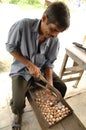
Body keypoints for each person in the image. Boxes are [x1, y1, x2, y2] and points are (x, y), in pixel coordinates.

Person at [6, 1, 70, 127]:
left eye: (58, 32)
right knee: (18, 104)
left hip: (41, 70)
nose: (54, 35)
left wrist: (50, 83)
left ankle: (48, 106)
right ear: (44, 18)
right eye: (53, 29)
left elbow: (49, 63)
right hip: (22, 69)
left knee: (61, 88)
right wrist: (29, 64)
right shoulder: (23, 26)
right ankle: (18, 113)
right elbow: (11, 48)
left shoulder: (54, 40)